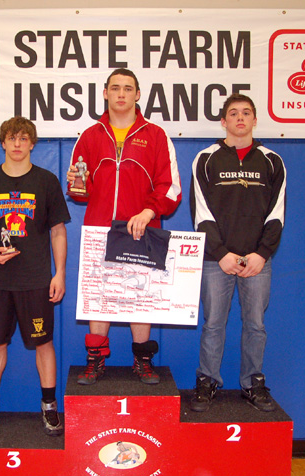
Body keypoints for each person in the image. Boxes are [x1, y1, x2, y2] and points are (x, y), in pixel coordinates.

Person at [67, 68, 182, 385]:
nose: (121, 94)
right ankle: (95, 360)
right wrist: (77, 184)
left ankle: (142, 361)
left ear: (137, 94)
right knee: (98, 297)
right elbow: (81, 191)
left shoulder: (156, 135)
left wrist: (149, 211)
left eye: (128, 88)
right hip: (100, 229)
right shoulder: (90, 136)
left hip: (141, 228)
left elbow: (170, 187)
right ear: (105, 93)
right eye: (115, 88)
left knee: (140, 296)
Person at [0, 116, 70, 436]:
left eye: (24, 138)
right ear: (3, 143)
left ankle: (49, 407)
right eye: (12, 138)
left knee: (43, 343)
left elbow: (58, 231)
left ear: (32, 143)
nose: (18, 144)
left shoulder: (46, 181)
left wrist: (60, 273)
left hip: (36, 279)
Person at [189, 93, 286, 412]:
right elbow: (200, 213)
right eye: (233, 113)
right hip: (217, 261)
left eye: (246, 112)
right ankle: (207, 381)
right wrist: (221, 253)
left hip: (257, 261)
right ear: (224, 121)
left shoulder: (272, 161)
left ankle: (252, 383)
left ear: (255, 119)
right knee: (213, 324)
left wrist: (261, 253)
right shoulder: (206, 158)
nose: (240, 118)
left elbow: (276, 214)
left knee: (256, 325)